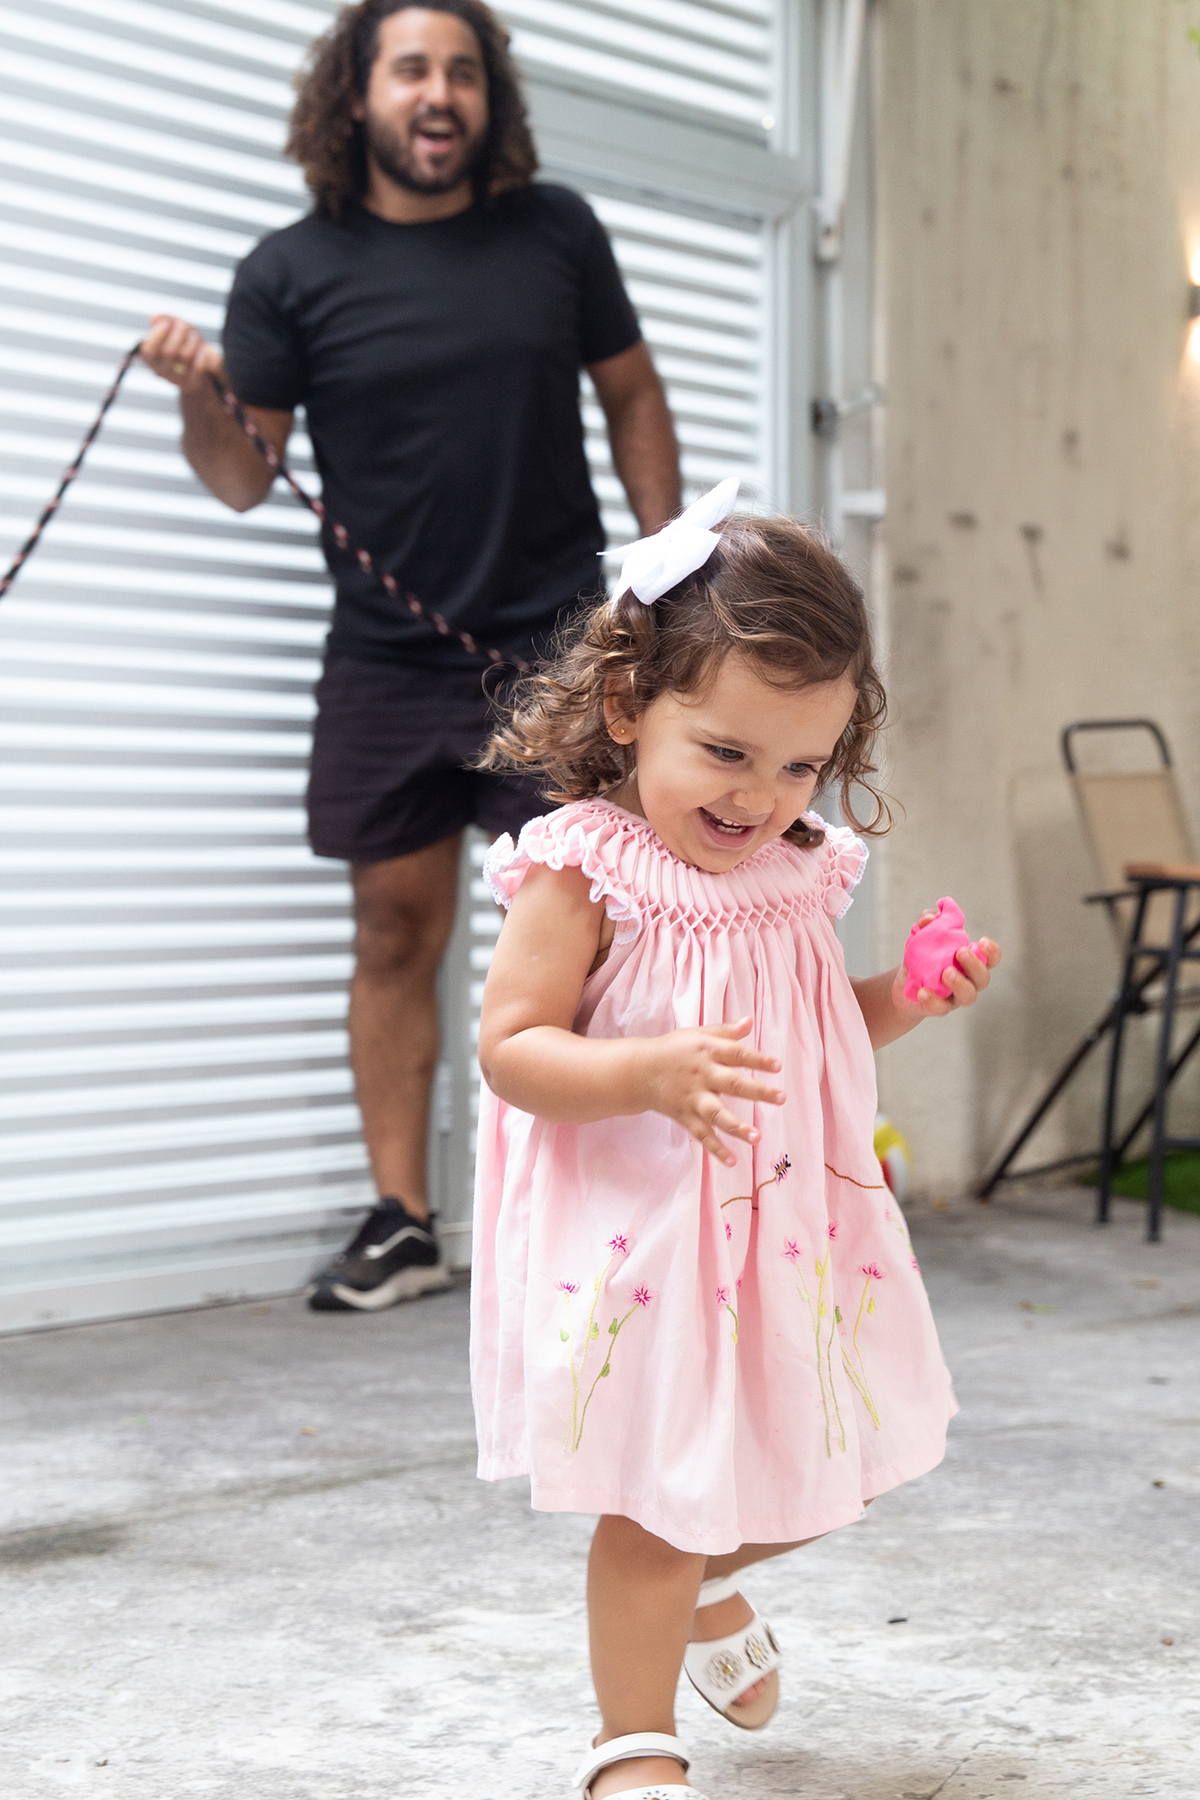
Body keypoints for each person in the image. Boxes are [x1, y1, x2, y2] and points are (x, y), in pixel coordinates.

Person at [139, 0, 681, 1311]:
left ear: (486, 96)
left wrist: (667, 574)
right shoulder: (288, 272)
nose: (438, 94)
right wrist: (204, 394)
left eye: (461, 70)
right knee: (395, 927)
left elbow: (632, 392)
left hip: (556, 649)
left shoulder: (556, 235)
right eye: (410, 70)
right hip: (386, 659)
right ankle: (404, 1223)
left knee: (590, 935)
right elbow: (237, 479)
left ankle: (607, 1217)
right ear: (358, 94)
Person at [470, 482, 1002, 1800]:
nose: (760, 796)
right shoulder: (583, 868)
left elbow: (810, 1035)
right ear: (625, 708)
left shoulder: (799, 871)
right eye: (726, 752)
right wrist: (642, 1071)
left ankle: (704, 1591)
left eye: (800, 764)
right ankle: (631, 1747)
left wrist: (909, 999)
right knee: (657, 1502)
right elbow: (512, 1048)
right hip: (644, 1247)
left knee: (830, 1472)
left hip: (786, 1243)